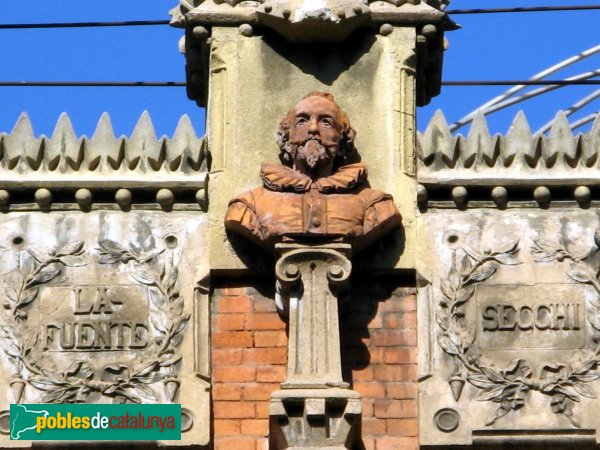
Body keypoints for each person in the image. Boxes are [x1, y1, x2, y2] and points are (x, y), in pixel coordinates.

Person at [225, 91, 401, 252]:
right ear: (287, 138)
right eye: (302, 120)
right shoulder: (248, 205)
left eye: (326, 122)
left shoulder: (376, 204)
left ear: (342, 140)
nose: (313, 129)